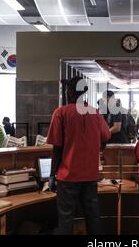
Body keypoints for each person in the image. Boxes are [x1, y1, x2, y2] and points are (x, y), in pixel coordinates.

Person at [46, 76, 110, 235]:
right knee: (93, 217)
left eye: (66, 90)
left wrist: (52, 175)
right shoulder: (95, 113)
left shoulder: (61, 113)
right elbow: (106, 137)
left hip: (67, 177)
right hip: (90, 176)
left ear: (70, 92)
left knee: (66, 219)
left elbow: (57, 148)